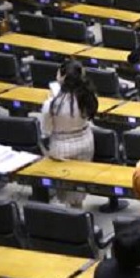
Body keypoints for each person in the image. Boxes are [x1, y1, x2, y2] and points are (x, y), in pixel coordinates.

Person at [39, 60, 97, 208]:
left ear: (63, 77)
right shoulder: (88, 96)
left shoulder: (51, 104)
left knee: (64, 191)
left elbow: (46, 130)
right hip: (86, 143)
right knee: (79, 186)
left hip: (61, 147)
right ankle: (78, 210)